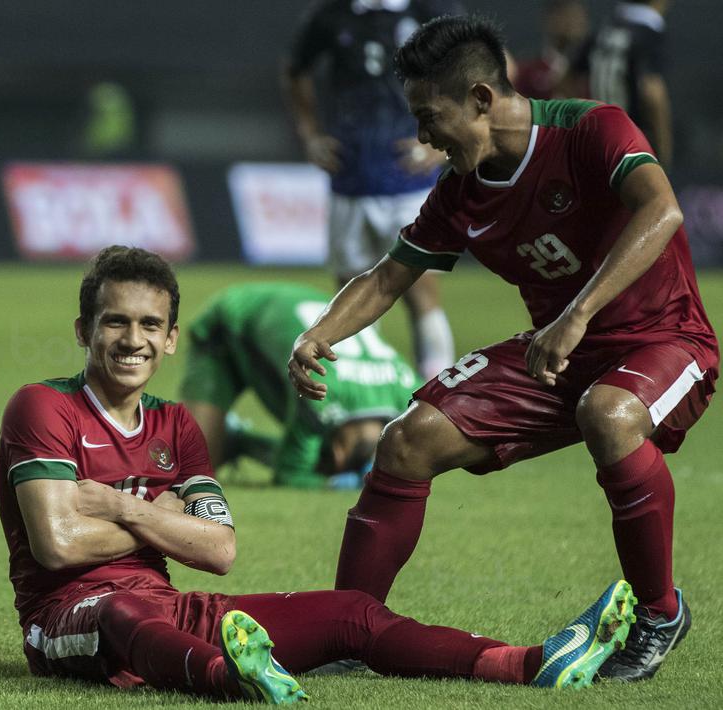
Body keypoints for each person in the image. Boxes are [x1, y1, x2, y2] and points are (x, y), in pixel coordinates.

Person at [0, 245, 636, 702]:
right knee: (125, 614)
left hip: (172, 607)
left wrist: (123, 508)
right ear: (84, 330)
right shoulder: (43, 406)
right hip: (69, 620)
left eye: (149, 325)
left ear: (169, 340)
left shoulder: (178, 425)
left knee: (353, 613)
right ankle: (233, 680)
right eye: (115, 322)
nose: (131, 340)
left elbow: (219, 549)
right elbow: (57, 546)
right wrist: (169, 520)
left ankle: (528, 664)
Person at [288, 15, 715, 683]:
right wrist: (318, 334)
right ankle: (346, 627)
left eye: (430, 117)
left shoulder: (590, 128)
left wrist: (576, 315)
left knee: (607, 413)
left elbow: (660, 211)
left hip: (663, 338)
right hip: (555, 352)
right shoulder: (460, 190)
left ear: (482, 98)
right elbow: (386, 276)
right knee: (406, 439)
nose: (421, 135)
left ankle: (658, 613)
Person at [283, 0, 459, 380]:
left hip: (408, 181)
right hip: (350, 178)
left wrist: (441, 142)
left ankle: (440, 393)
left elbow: (484, 66)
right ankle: (366, 394)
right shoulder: (331, 14)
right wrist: (310, 135)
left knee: (420, 293)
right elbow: (295, 71)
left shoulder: (431, 8)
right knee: (349, 300)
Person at [180, 282, 417, 490]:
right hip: (229, 320)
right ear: (338, 453)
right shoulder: (323, 397)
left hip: (300, 304)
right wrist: (335, 483)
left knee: (302, 435)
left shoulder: (411, 392)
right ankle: (234, 440)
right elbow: (291, 473)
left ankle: (236, 440)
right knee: (193, 468)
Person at [574, 1, 673, 168]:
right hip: (635, 145)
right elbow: (652, 91)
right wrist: (663, 150)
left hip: (598, 139)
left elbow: (567, 81)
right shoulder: (649, 33)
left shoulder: (604, 30)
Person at [512, 0, 590, 100]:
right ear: (549, 19)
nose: (572, 22)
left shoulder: (596, 70)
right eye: (565, 15)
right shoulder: (527, 73)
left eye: (577, 16)